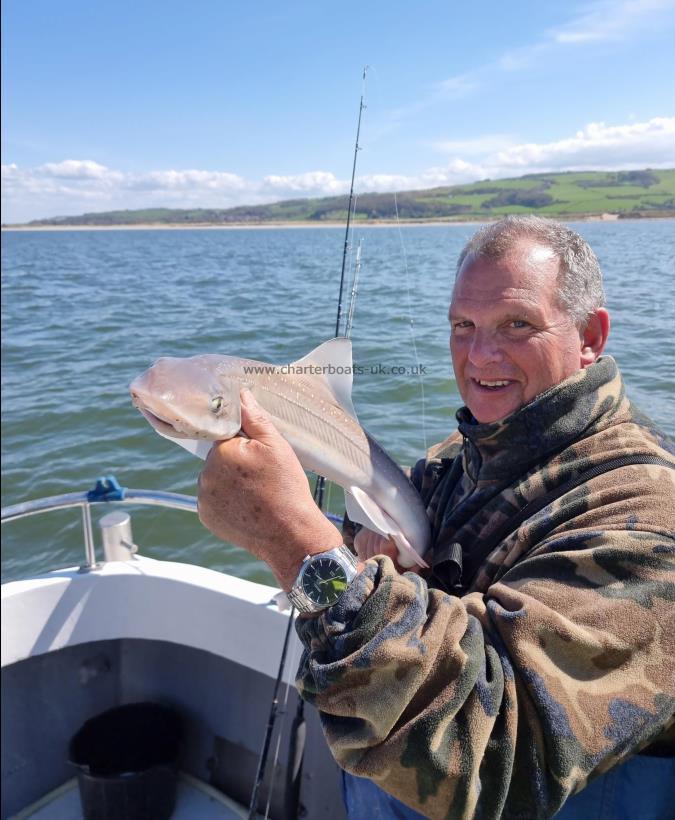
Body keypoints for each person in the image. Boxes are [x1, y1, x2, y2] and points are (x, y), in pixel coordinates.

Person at [197, 216, 675, 820]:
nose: (480, 355)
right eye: (462, 326)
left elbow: (493, 757)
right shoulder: (454, 461)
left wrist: (295, 543)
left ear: (590, 336)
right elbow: (374, 576)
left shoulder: (646, 513)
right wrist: (338, 547)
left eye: (517, 324)